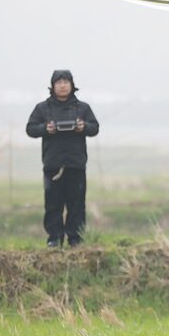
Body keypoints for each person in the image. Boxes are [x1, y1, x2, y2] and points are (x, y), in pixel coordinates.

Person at [26, 70, 99, 248]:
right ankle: (54, 239)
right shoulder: (42, 108)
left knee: (77, 205)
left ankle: (75, 239)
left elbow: (95, 128)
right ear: (53, 86)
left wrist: (83, 126)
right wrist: (46, 128)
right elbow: (30, 129)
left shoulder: (83, 108)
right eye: (59, 82)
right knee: (53, 204)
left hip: (76, 164)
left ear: (72, 85)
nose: (63, 85)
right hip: (52, 164)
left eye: (66, 81)